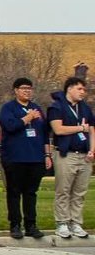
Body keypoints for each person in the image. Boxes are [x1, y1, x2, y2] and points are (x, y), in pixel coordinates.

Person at [0, 78, 50, 240]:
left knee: (31, 193)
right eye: (23, 88)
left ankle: (31, 225)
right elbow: (10, 126)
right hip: (15, 158)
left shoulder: (37, 108)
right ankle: (15, 224)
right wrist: (27, 118)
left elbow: (44, 134)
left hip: (35, 158)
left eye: (29, 88)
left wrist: (47, 155)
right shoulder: (8, 108)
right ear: (16, 90)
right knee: (14, 192)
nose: (27, 91)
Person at [47, 76, 94, 239]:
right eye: (79, 89)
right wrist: (80, 128)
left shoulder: (85, 108)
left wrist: (92, 150)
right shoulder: (56, 106)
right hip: (66, 155)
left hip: (84, 155)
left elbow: (92, 130)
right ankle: (62, 223)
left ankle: (76, 223)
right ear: (69, 88)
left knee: (79, 192)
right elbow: (58, 129)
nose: (83, 92)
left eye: (84, 89)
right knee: (63, 190)